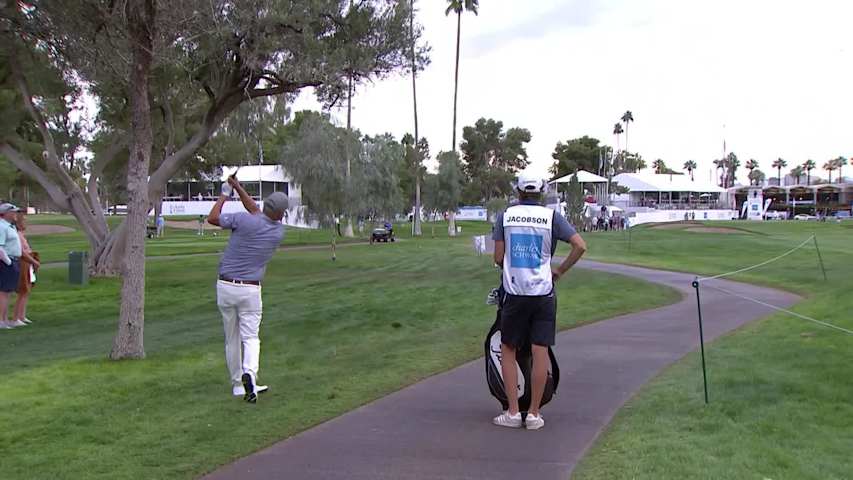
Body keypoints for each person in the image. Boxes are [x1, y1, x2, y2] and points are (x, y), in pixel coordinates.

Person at [491, 173, 586, 430]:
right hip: (543, 293)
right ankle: (533, 414)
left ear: (519, 193)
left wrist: (511, 261)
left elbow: (499, 257)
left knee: (508, 350)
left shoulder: (506, 216)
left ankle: (512, 412)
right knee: (539, 350)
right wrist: (559, 271)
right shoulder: (551, 217)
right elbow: (579, 245)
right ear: (540, 193)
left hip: (515, 292)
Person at [208, 176, 287, 403]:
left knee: (231, 338)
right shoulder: (277, 232)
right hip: (250, 290)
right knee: (251, 337)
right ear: (280, 214)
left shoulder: (244, 220)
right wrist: (238, 187)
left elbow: (213, 217)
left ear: (265, 206)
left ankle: (237, 385)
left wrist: (226, 193)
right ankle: (250, 374)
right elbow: (257, 212)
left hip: (225, 285)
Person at [13, 211, 40, 326]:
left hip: (28, 262)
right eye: (24, 221)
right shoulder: (16, 235)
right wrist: (33, 261)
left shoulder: (21, 234)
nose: (26, 223)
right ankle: (16, 317)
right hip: (24, 262)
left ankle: (22, 316)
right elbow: (22, 252)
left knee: (27, 290)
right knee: (23, 290)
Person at [0, 203, 23, 329]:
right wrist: (9, 263)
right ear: (5, 213)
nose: (16, 214)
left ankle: (5, 319)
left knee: (8, 292)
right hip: (6, 262)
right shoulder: (1, 227)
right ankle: (1, 320)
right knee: (3, 292)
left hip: (13, 260)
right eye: (13, 212)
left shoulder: (10, 226)